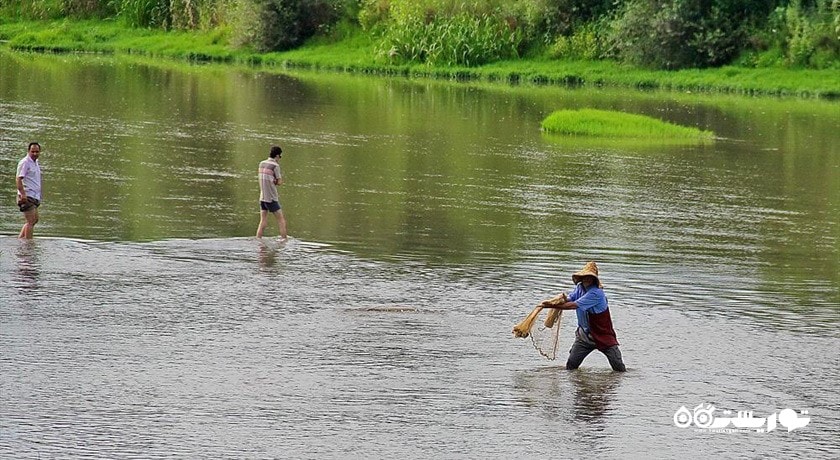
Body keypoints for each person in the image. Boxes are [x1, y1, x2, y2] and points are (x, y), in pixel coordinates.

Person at [540, 261, 626, 372]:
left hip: (603, 335)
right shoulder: (579, 288)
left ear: (594, 279)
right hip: (584, 336)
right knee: (571, 367)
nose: (587, 279)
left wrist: (549, 306)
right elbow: (570, 299)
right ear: (581, 278)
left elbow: (573, 305)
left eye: (590, 277)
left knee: (619, 369)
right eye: (585, 276)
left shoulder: (596, 293)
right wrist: (555, 301)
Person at [256, 145, 288, 239]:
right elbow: (279, 182)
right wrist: (277, 181)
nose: (280, 158)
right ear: (277, 155)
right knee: (281, 220)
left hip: (262, 197)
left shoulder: (261, 163)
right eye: (280, 156)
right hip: (271, 198)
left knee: (263, 221)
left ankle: (258, 239)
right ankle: (284, 240)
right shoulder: (275, 166)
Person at [16, 142, 42, 239]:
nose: (35, 153)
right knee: (31, 221)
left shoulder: (35, 162)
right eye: (33, 151)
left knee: (34, 220)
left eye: (37, 152)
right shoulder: (25, 162)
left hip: (34, 196)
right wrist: (23, 194)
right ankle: (28, 245)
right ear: (28, 151)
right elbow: (18, 179)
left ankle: (21, 240)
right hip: (27, 196)